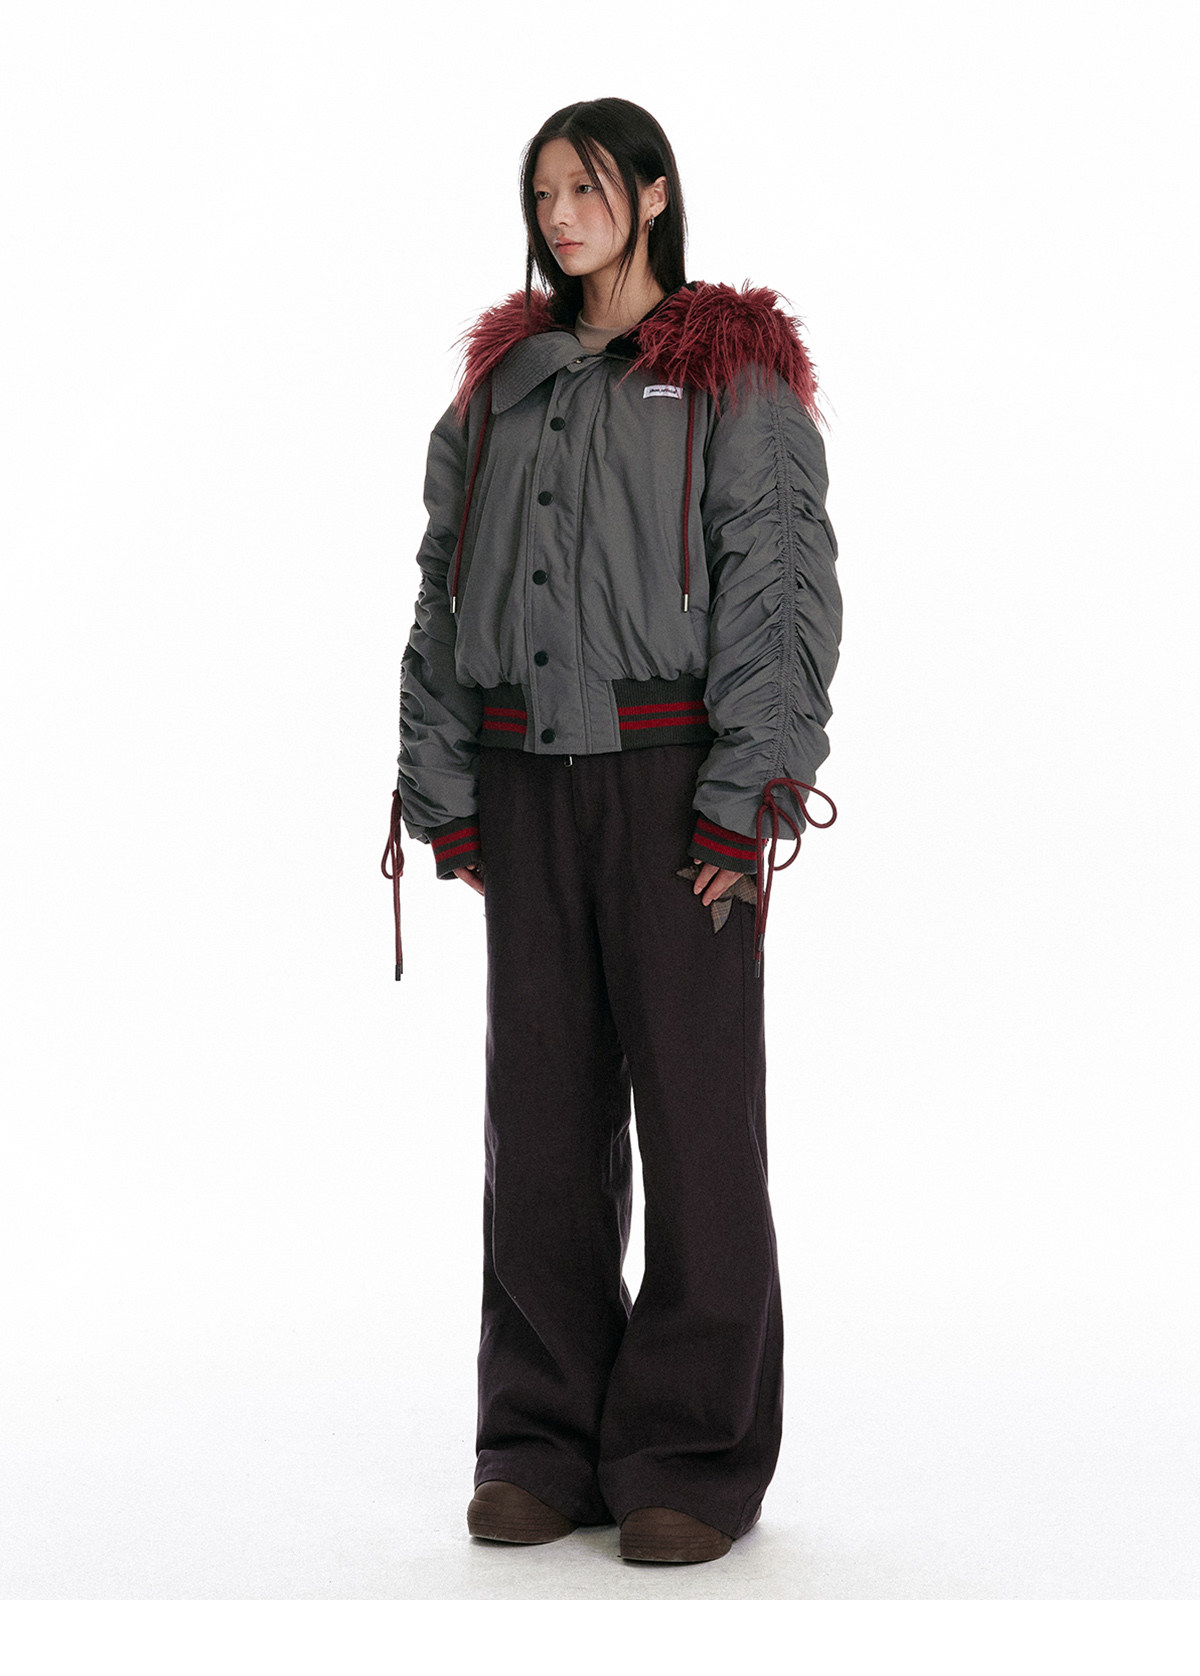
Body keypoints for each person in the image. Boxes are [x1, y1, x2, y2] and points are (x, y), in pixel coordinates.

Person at [382, 97, 842, 1566]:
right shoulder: (501, 388)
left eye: (585, 188)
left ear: (651, 193)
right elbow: (441, 593)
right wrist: (442, 784)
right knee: (540, 1121)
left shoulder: (730, 378)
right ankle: (540, 1437)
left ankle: (689, 1452)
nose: (561, 217)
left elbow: (778, 592)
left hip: (671, 786)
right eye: (542, 195)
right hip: (525, 780)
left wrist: (745, 799)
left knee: (698, 1123)